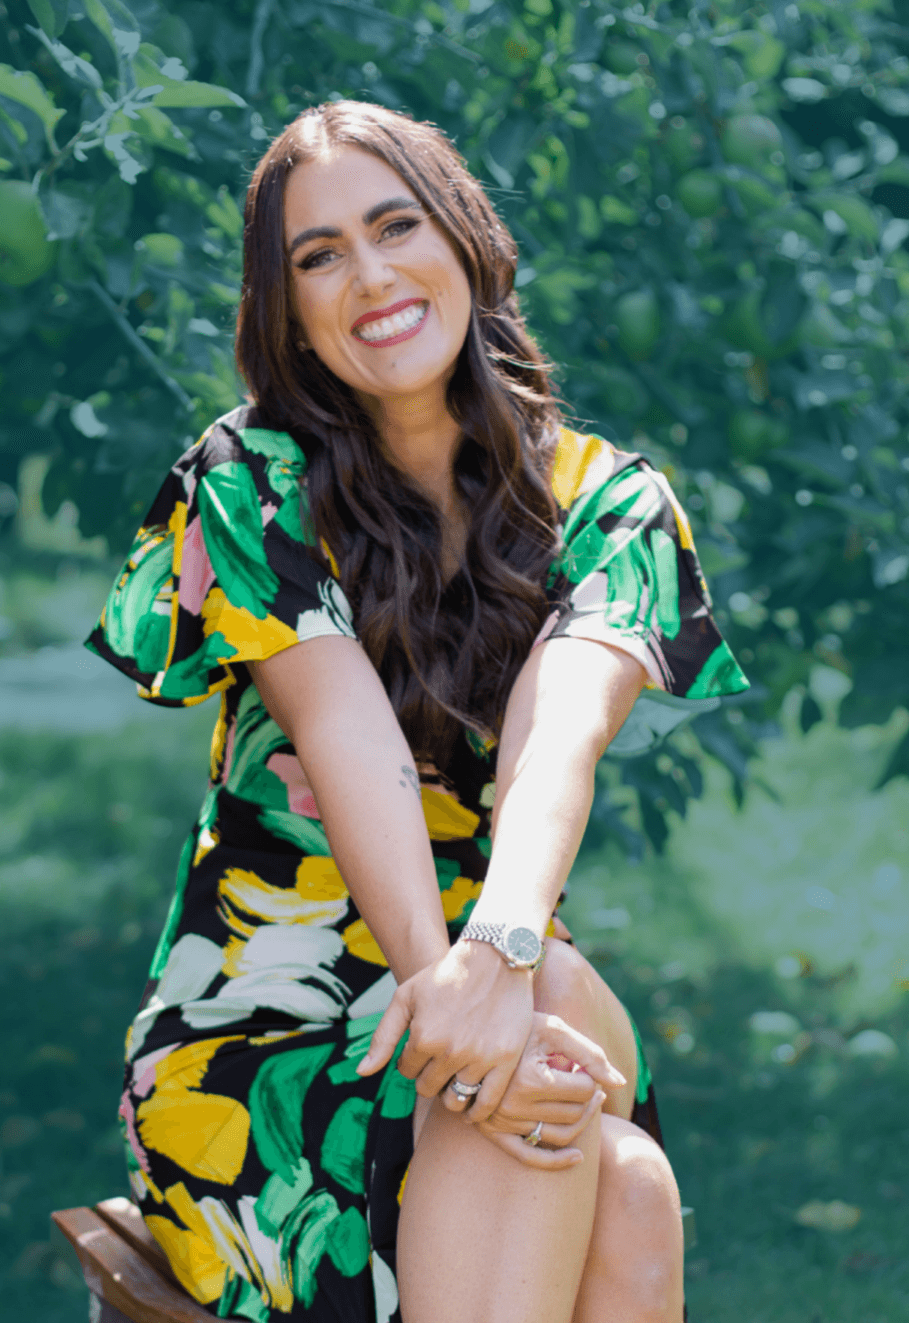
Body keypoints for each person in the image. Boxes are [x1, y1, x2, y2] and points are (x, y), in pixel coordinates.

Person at [86, 99, 749, 1323]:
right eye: (319, 255)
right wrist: (458, 993)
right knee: (615, 1170)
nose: (371, 276)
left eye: (397, 227)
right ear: (287, 309)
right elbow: (347, 736)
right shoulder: (253, 482)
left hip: (510, 969)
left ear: (467, 239)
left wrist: (494, 958)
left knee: (560, 1023)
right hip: (266, 1038)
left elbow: (559, 738)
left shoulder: (611, 506)